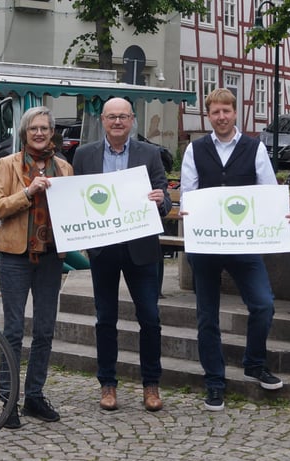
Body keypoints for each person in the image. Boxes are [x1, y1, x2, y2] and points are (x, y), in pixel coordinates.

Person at [179, 88, 284, 411]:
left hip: (244, 242)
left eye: (226, 111)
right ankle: (214, 381)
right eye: (215, 112)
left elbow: (269, 192)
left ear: (235, 113)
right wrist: (186, 210)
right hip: (206, 243)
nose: (221, 117)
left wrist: (281, 214)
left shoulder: (254, 148)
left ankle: (254, 363)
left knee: (263, 304)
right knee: (207, 316)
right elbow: (188, 193)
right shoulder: (195, 149)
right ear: (208, 116)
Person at [72, 97, 171, 412]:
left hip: (141, 247)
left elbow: (165, 198)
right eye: (112, 116)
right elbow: (76, 199)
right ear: (102, 120)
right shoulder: (84, 155)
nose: (117, 122)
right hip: (103, 249)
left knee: (150, 318)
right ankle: (108, 384)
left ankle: (151, 385)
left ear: (132, 121)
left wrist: (161, 201)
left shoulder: (150, 153)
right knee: (105, 319)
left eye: (123, 117)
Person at [0, 105, 73, 427]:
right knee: (12, 330)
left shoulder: (64, 167)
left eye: (44, 128)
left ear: (52, 133)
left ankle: (34, 395)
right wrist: (27, 191)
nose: (39, 133)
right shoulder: (7, 164)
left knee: (45, 330)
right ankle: (8, 400)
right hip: (15, 256)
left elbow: (74, 208)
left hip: (50, 256)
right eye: (34, 128)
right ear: (24, 132)